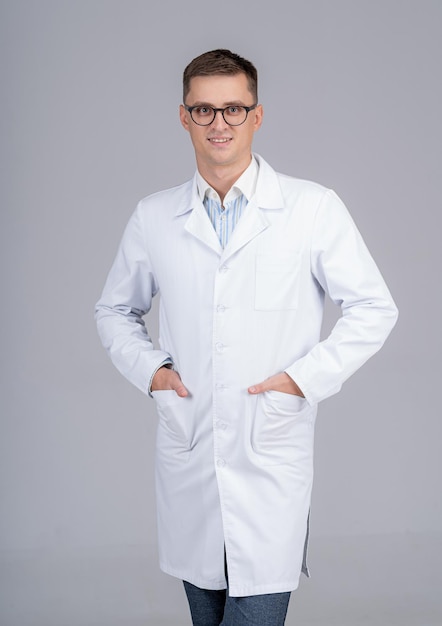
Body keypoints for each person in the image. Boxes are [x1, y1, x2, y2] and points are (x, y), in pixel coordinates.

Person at [95, 49, 398, 626]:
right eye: (204, 110)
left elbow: (374, 307)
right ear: (183, 117)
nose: (219, 124)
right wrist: (153, 373)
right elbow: (113, 310)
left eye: (233, 109)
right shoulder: (155, 216)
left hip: (269, 449)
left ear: (257, 116)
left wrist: (301, 381)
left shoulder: (311, 209)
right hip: (190, 447)